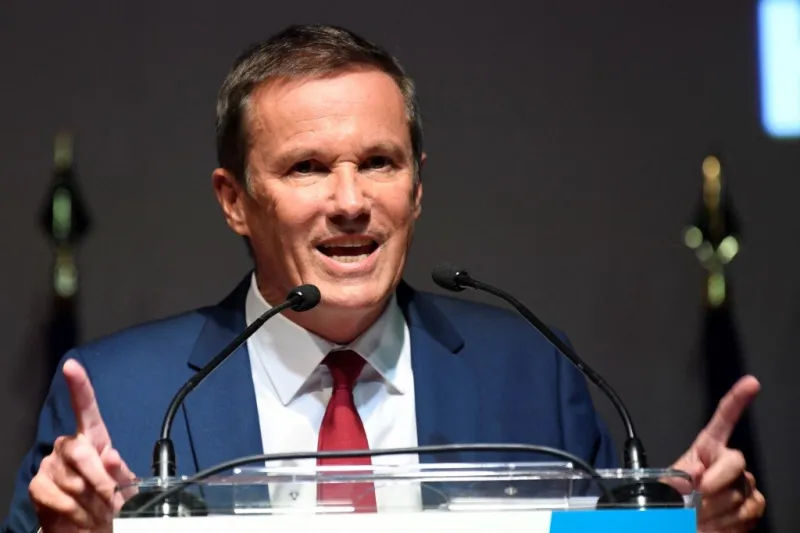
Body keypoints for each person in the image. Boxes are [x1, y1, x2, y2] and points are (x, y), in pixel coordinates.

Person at [2, 24, 765, 533]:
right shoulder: (123, 396)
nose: (350, 202)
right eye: (307, 167)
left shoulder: (534, 374)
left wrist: (681, 527)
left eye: (378, 162)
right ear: (234, 201)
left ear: (417, 186)